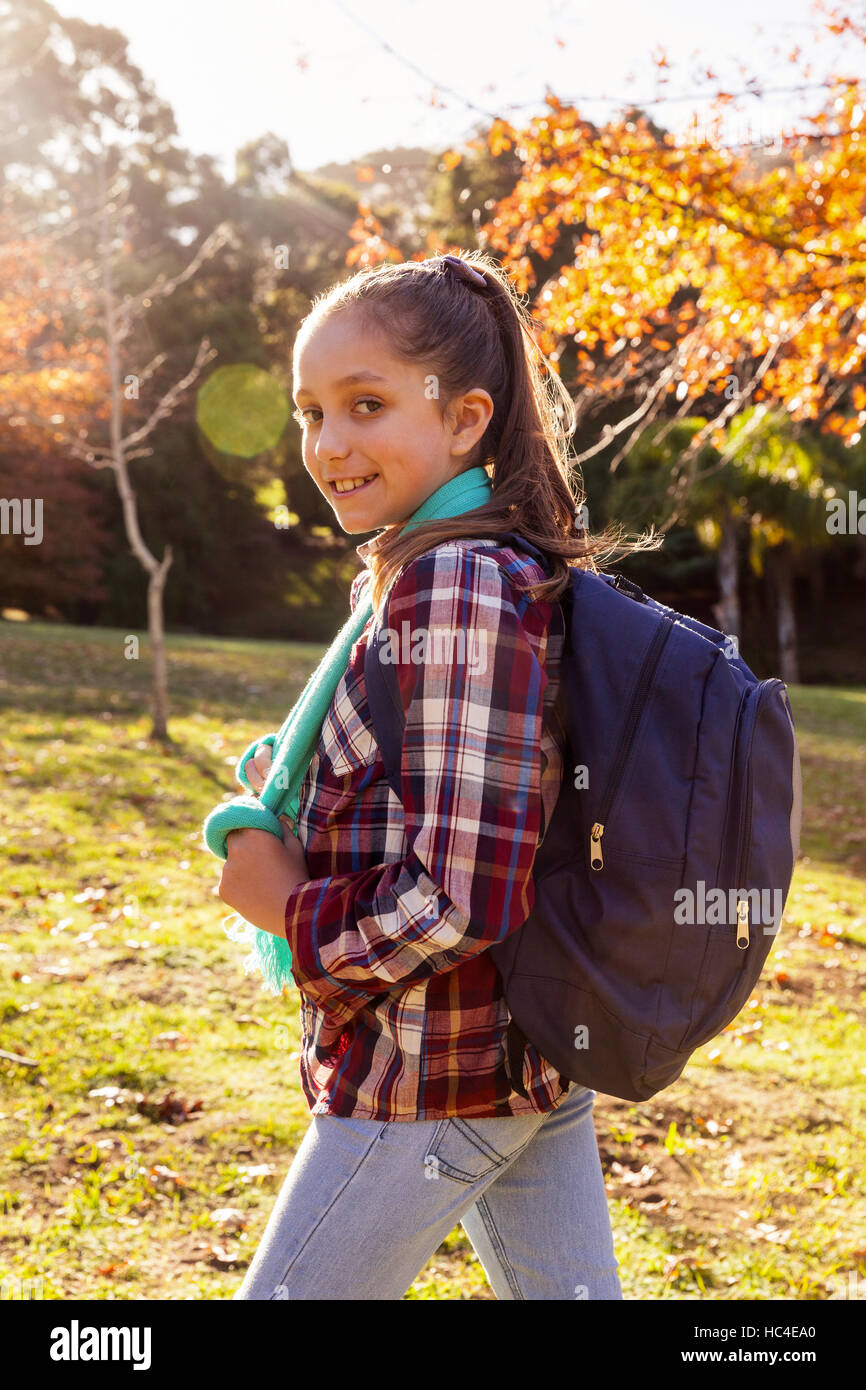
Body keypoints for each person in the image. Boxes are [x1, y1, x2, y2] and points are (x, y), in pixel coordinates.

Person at [216, 250, 659, 1300]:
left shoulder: (452, 580)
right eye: (309, 411)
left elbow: (462, 894)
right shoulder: (466, 562)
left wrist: (289, 909)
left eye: (364, 404)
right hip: (515, 1057)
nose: (327, 444)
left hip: (430, 1077)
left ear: (464, 421)